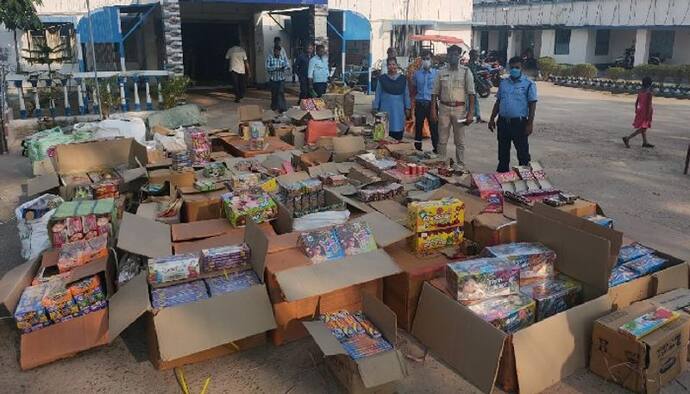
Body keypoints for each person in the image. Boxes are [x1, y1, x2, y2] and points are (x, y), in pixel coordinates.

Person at [488, 56, 538, 173]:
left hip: (519, 123)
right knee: (503, 153)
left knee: (523, 153)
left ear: (522, 68)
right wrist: (491, 119)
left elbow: (532, 105)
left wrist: (529, 124)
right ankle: (503, 177)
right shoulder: (504, 83)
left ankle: (526, 178)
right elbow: (498, 101)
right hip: (503, 122)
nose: (514, 70)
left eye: (517, 67)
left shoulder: (529, 84)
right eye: (512, 67)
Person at [430, 45, 475, 170]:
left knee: (460, 140)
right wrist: (433, 110)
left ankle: (460, 165)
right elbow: (434, 93)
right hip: (444, 109)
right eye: (451, 54)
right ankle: (440, 165)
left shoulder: (466, 72)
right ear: (447, 56)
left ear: (460, 56)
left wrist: (470, 113)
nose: (453, 57)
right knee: (442, 140)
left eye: (456, 54)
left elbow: (472, 94)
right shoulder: (441, 72)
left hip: (460, 110)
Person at [373, 57, 411, 141]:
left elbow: (406, 94)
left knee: (398, 134)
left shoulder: (402, 79)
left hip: (399, 111)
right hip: (385, 110)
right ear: (387, 66)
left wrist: (408, 107)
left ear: (397, 65)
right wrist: (375, 107)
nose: (392, 66)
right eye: (389, 64)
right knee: (384, 134)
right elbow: (378, 94)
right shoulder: (382, 79)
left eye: (393, 64)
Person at [410, 50, 439, 152]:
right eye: (423, 59)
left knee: (434, 127)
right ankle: (418, 149)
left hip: (431, 104)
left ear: (431, 60)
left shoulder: (436, 74)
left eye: (427, 59)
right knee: (418, 127)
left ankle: (436, 148)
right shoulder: (417, 74)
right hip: (419, 103)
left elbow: (439, 90)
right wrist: (411, 105)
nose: (425, 61)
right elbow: (413, 90)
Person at [623, 76, 654, 148]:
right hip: (646, 111)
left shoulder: (640, 91)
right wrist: (648, 115)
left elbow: (636, 102)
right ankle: (628, 138)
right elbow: (649, 105)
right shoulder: (649, 93)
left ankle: (645, 142)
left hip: (640, 110)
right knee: (643, 128)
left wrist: (636, 109)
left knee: (643, 126)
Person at [265, 45, 288, 113]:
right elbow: (267, 67)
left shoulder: (283, 57)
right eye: (276, 51)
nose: (277, 52)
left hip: (281, 78)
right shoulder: (270, 57)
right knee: (274, 94)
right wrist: (275, 68)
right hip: (273, 79)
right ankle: (274, 106)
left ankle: (282, 108)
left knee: (281, 92)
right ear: (274, 51)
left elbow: (287, 65)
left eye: (278, 51)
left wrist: (284, 67)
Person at [467, 49, 483, 123]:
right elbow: (475, 77)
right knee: (470, 102)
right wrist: (482, 84)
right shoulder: (469, 65)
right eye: (476, 55)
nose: (477, 56)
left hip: (473, 86)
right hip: (469, 86)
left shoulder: (474, 64)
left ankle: (477, 116)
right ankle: (473, 116)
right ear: (471, 56)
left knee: (475, 101)